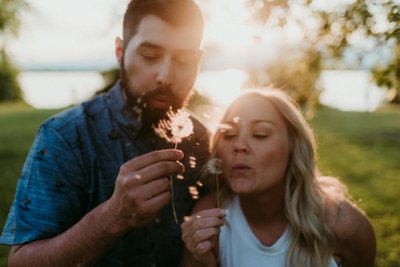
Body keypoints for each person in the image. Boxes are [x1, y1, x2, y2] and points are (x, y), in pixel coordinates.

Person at [0, 0, 209, 266]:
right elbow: (20, 263)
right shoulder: (64, 136)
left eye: (183, 60)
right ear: (120, 51)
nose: (165, 76)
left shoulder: (202, 139)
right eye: (150, 56)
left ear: (198, 62)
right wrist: (113, 216)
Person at [181, 88, 376, 267]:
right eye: (229, 133)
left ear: (293, 146)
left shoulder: (344, 225)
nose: (239, 145)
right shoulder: (208, 221)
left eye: (260, 134)